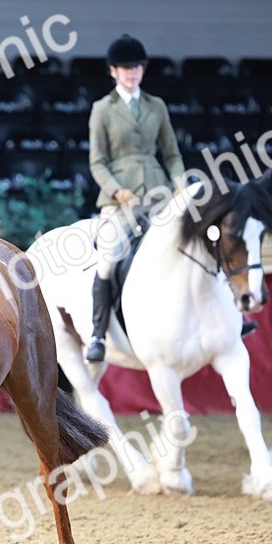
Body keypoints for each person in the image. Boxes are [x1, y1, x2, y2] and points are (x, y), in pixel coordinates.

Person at [84, 34, 186, 362]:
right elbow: (97, 161)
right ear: (113, 71)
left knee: (195, 245)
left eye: (137, 68)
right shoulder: (102, 109)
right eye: (126, 69)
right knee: (109, 259)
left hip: (158, 195)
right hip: (119, 201)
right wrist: (116, 190)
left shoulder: (157, 106)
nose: (132, 73)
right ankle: (98, 334)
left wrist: (180, 182)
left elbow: (171, 153)